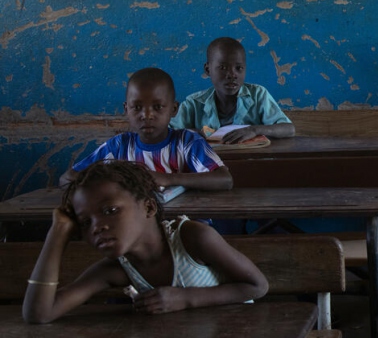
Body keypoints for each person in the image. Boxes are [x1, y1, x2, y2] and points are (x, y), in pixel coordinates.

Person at [24, 160, 268, 323]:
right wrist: (57, 233)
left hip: (237, 336)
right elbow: (39, 313)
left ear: (149, 207)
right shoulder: (117, 269)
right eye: (85, 222)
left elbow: (257, 286)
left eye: (110, 210)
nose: (98, 226)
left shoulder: (193, 238)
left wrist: (185, 299)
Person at [59, 67, 232, 190]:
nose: (147, 115)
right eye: (137, 107)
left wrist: (167, 179)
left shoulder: (187, 142)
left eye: (157, 107)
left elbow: (224, 180)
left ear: (173, 109)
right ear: (126, 109)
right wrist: (114, 184)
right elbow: (67, 179)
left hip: (185, 225)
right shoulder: (119, 147)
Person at [169, 37, 295, 144]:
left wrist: (254, 130)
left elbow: (289, 129)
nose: (232, 75)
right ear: (208, 70)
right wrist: (191, 132)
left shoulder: (258, 95)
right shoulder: (194, 103)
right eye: (223, 67)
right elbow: (168, 132)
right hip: (209, 168)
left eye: (239, 68)